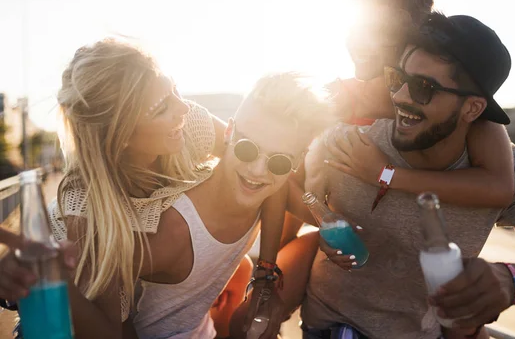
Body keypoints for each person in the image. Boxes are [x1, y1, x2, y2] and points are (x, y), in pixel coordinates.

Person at [0, 39, 331, 339]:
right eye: (161, 108)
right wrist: (52, 277)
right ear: (123, 133)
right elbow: (108, 330)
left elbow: (263, 164)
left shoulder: (189, 125)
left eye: (173, 91)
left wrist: (265, 274)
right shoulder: (87, 206)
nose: (183, 107)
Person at [294, 13, 515, 339]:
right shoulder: (352, 142)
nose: (400, 97)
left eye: (423, 88)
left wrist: (510, 281)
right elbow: (289, 200)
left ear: (472, 110)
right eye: (397, 79)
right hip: (332, 328)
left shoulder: (512, 173)